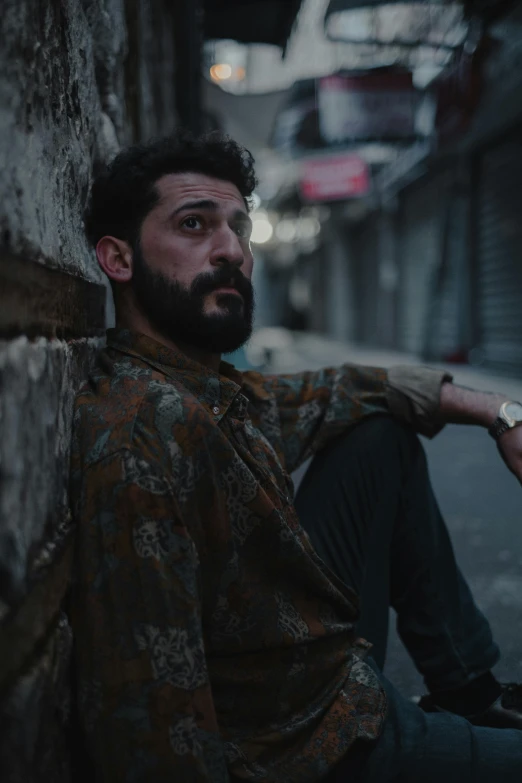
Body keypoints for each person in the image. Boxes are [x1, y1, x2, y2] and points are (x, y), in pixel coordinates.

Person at [69, 131, 522, 783]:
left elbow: (348, 387)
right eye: (195, 225)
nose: (232, 250)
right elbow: (153, 731)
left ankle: (473, 698)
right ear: (119, 258)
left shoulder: (213, 387)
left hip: (327, 667)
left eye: (239, 226)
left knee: (379, 431)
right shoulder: (141, 440)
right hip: (311, 747)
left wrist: (500, 413)